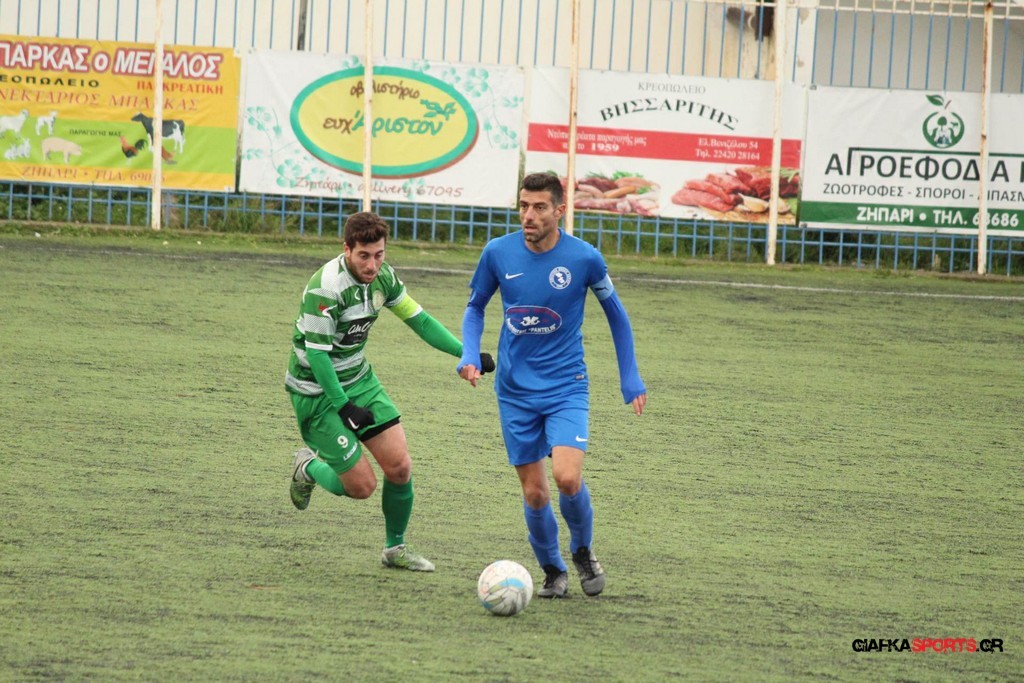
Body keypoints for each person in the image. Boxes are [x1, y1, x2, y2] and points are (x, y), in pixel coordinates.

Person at [457, 172, 646, 597]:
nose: (529, 215)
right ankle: (552, 570)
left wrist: (630, 376)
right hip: (514, 392)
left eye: (539, 207)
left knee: (567, 478)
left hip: (565, 386)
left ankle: (582, 551)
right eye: (524, 206)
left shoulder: (584, 259)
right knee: (535, 492)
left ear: (560, 210)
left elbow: (617, 315)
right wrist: (469, 353)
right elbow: (475, 308)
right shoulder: (497, 253)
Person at [286, 211, 493, 572]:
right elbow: (317, 356)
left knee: (399, 466)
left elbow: (420, 321)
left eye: (379, 255)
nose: (372, 265)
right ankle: (307, 467)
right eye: (363, 256)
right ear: (347, 249)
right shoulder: (326, 287)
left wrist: (467, 354)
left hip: (359, 379)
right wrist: (344, 406)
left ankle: (394, 548)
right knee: (362, 487)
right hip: (315, 391)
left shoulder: (384, 277)